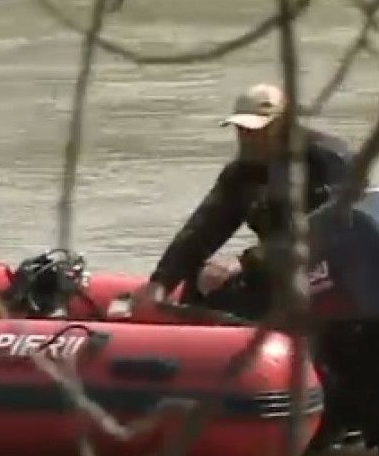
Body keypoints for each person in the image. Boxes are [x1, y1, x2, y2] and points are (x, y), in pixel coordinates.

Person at [135, 82, 352, 320]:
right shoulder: (242, 173)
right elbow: (203, 228)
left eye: (256, 130)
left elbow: (329, 229)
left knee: (230, 295)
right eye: (242, 130)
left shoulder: (326, 162)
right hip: (273, 266)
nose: (247, 138)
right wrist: (161, 281)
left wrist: (245, 262)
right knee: (200, 283)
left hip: (330, 270)